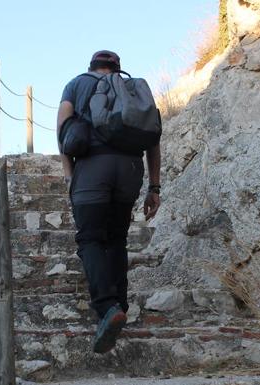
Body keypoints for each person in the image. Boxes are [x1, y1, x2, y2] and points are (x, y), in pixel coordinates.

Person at [56, 50, 162, 354]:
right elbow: (154, 140)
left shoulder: (77, 85)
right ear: (118, 69)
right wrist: (154, 187)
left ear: (91, 67)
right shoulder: (133, 91)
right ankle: (121, 305)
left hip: (92, 169)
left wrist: (68, 175)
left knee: (90, 238)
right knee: (116, 239)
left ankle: (106, 308)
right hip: (130, 170)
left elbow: (63, 130)